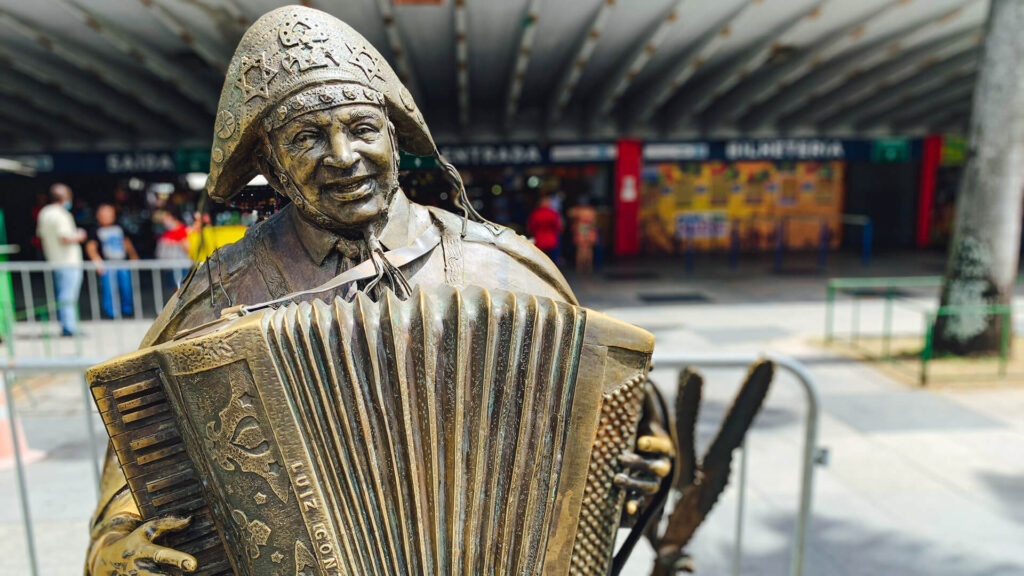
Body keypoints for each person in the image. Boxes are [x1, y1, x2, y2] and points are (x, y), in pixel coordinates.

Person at [85, 7, 670, 574]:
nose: (344, 158)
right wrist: (115, 550)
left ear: (393, 135)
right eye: (307, 137)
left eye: (362, 129)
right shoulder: (220, 293)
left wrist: (632, 481)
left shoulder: (506, 268)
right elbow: (132, 490)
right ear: (270, 161)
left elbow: (611, 442)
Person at [36, 183, 85, 336]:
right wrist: (79, 236)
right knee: (68, 296)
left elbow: (40, 236)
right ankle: (69, 327)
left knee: (63, 294)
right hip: (68, 261)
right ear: (65, 197)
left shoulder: (44, 213)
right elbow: (64, 237)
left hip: (54, 260)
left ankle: (67, 324)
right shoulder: (61, 214)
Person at [85, 204, 138, 318]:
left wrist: (133, 255)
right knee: (109, 289)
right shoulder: (95, 230)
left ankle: (127, 310)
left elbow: (126, 242)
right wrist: (97, 261)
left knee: (126, 287)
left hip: (122, 262)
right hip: (107, 264)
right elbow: (91, 247)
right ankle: (111, 312)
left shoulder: (119, 227)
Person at [153, 208, 191, 290]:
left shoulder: (182, 230)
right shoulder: (166, 232)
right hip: (170, 268)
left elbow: (187, 248)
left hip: (180, 267)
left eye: (166, 217)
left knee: (181, 289)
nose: (164, 221)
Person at [527, 196, 563, 265]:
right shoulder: (553, 213)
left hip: (539, 241)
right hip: (551, 241)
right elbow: (558, 227)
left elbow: (531, 227)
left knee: (540, 262)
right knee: (552, 263)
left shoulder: (536, 214)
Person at [568, 196, 598, 274]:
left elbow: (570, 213)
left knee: (581, 249)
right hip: (589, 228)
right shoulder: (592, 210)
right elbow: (594, 222)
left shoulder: (578, 210)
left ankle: (580, 266)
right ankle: (588, 266)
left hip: (582, 228)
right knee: (588, 249)